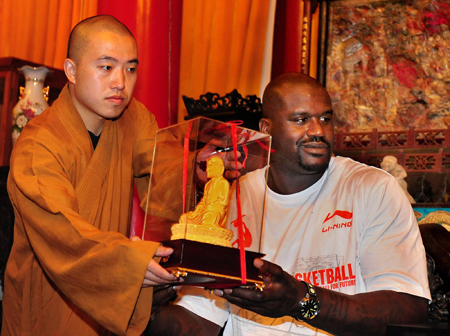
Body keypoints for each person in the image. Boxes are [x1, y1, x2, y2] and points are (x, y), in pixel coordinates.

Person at [147, 73, 431, 336]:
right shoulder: (238, 194)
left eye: (326, 119)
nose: (318, 131)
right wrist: (144, 311)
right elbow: (202, 318)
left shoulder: (371, 188)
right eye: (301, 119)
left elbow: (409, 310)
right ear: (266, 129)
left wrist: (300, 299)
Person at [2, 15, 183, 336]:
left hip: (111, 294)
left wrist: (199, 166)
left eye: (130, 69)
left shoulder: (134, 119)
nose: (120, 83)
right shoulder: (38, 144)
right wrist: (131, 260)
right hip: (50, 300)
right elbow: (63, 232)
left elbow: (166, 169)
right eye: (106, 67)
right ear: (71, 70)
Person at [179, 156, 230, 227]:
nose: (207, 169)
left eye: (210, 166)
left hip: (215, 211)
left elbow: (223, 203)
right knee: (184, 218)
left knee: (209, 217)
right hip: (204, 211)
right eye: (207, 167)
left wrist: (209, 207)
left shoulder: (223, 182)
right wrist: (199, 208)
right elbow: (204, 200)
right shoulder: (208, 184)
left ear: (218, 168)